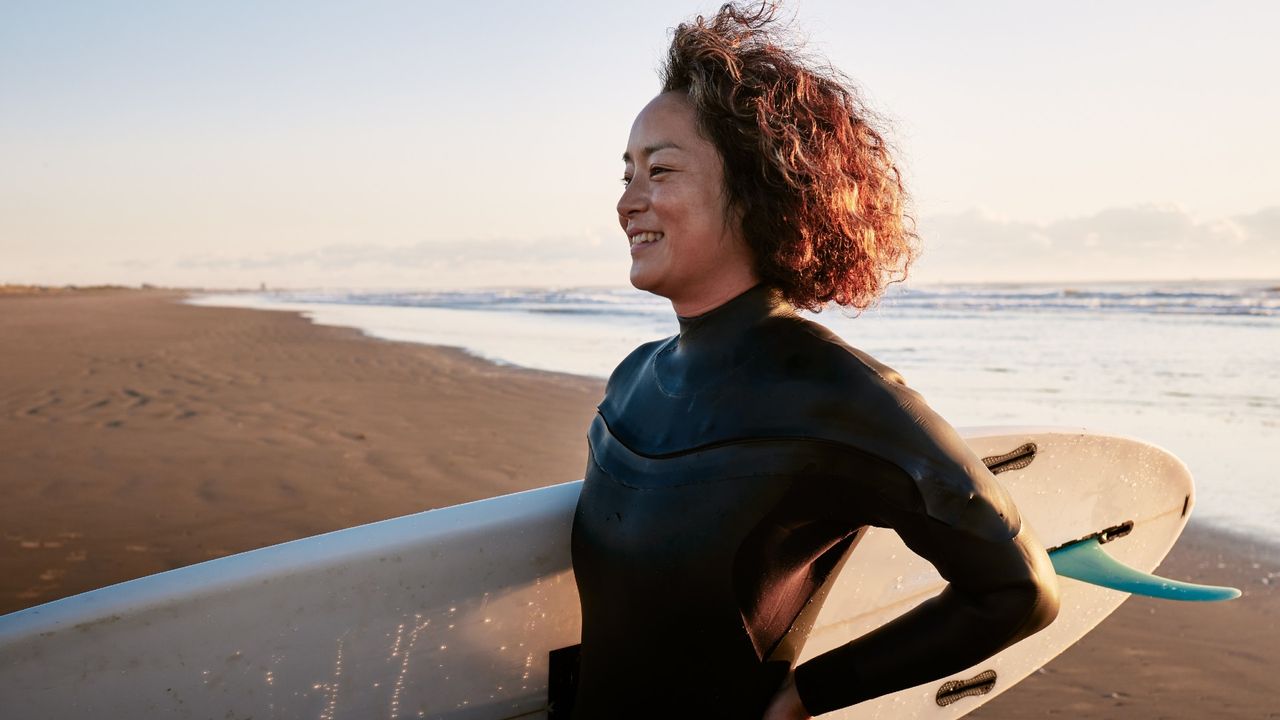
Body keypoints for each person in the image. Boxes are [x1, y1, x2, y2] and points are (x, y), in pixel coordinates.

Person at [568, 3, 1060, 718]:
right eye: (627, 174)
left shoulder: (840, 396)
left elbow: (1018, 591)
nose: (628, 203)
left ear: (757, 186)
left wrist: (807, 695)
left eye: (661, 171)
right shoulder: (634, 378)